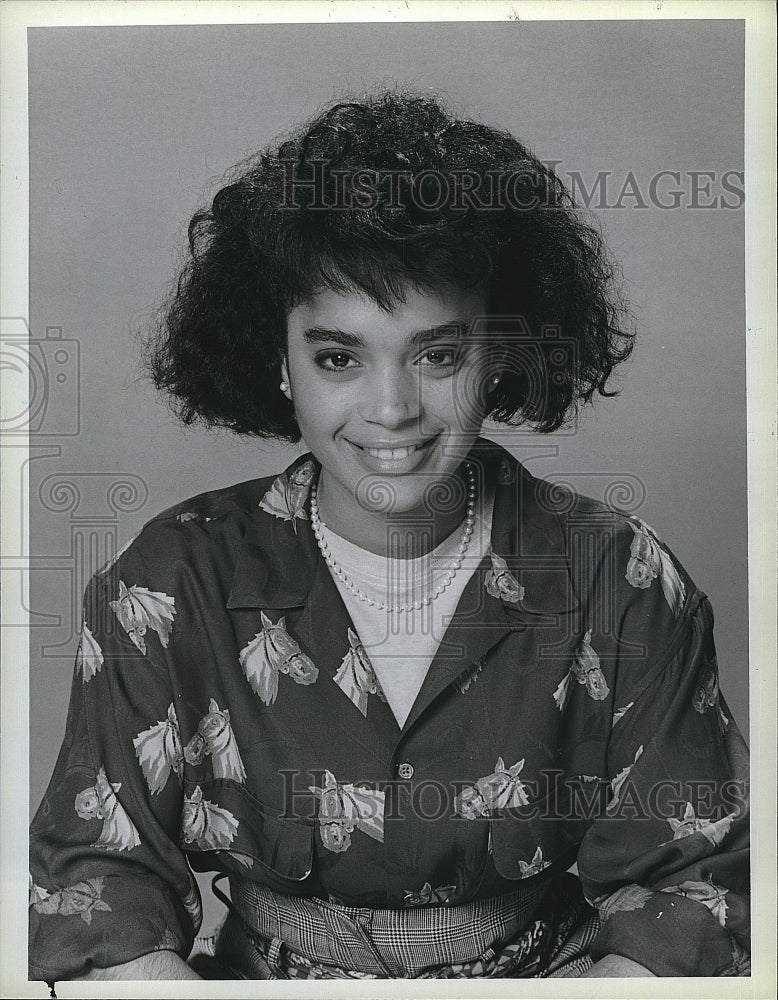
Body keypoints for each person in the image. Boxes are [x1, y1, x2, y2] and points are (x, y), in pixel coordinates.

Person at [29, 91, 750, 984]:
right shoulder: (172, 581)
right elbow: (100, 881)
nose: (392, 410)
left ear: (501, 353)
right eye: (339, 357)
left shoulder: (621, 578)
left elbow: (694, 888)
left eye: (438, 354)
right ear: (276, 360)